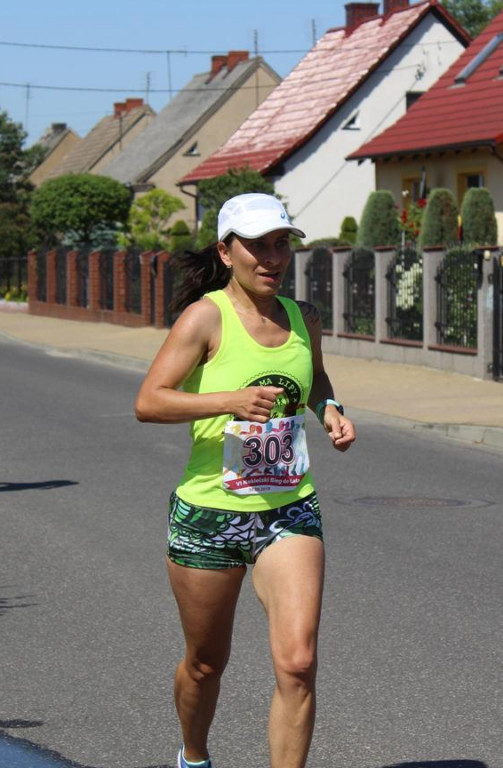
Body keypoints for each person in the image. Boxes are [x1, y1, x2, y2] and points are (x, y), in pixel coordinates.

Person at [134, 193, 356, 768]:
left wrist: (328, 409)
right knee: (206, 662)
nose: (272, 257)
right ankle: (193, 753)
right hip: (210, 512)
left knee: (298, 663)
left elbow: (316, 379)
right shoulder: (205, 317)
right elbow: (148, 401)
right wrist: (230, 400)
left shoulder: (304, 316)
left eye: (281, 243)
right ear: (226, 252)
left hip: (289, 506)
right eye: (257, 245)